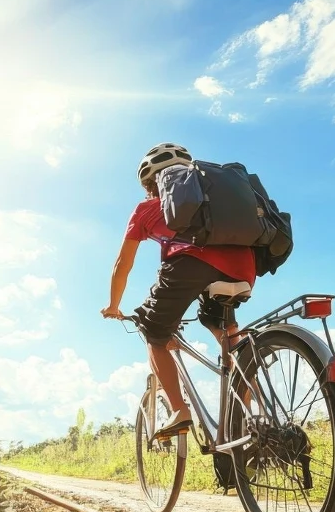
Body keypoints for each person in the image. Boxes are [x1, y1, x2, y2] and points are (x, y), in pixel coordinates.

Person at [100, 143, 257, 438]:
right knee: (227, 334)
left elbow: (123, 262)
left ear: (150, 184)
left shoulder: (147, 207)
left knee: (154, 332)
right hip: (244, 268)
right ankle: (252, 415)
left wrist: (113, 305)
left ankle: (179, 411)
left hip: (190, 267)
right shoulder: (216, 201)